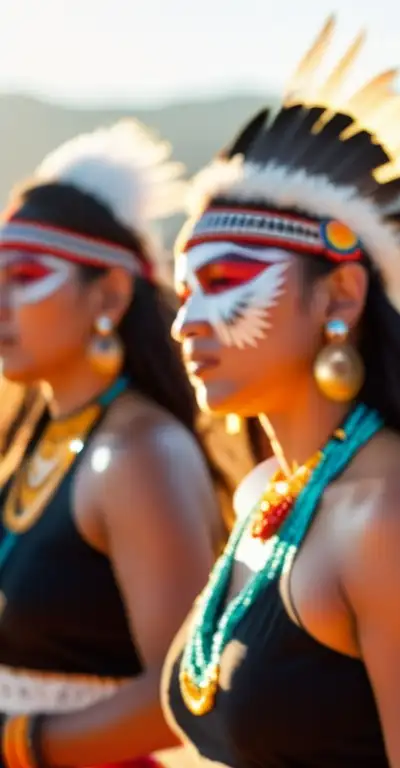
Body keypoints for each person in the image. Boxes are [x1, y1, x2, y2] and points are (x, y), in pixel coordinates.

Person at [162, 17, 400, 768]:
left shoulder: (398, 515)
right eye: (181, 293)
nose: (185, 322)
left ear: (339, 295)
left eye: (222, 284)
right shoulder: (268, 491)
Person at [0, 121, 224, 766]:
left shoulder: (140, 453)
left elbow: (179, 690)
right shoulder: (34, 439)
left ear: (110, 292)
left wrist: (18, 742)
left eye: (26, 274)